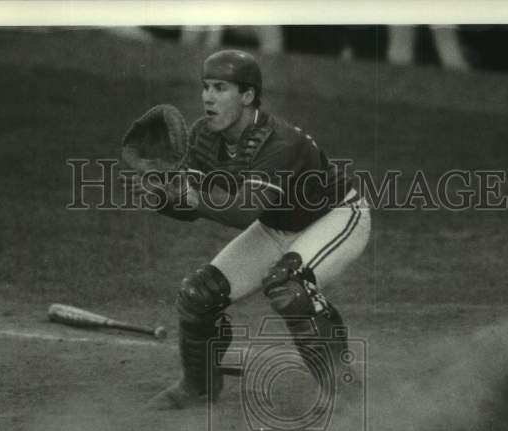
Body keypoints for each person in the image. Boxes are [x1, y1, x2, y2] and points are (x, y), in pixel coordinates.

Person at [144, 50, 370, 411]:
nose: (208, 97)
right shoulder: (203, 136)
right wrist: (161, 196)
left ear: (248, 95)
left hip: (336, 218)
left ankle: (346, 395)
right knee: (198, 294)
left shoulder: (279, 143)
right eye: (206, 87)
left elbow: (244, 212)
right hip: (277, 225)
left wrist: (188, 195)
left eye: (220, 88)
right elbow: (193, 209)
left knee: (290, 287)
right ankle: (198, 386)